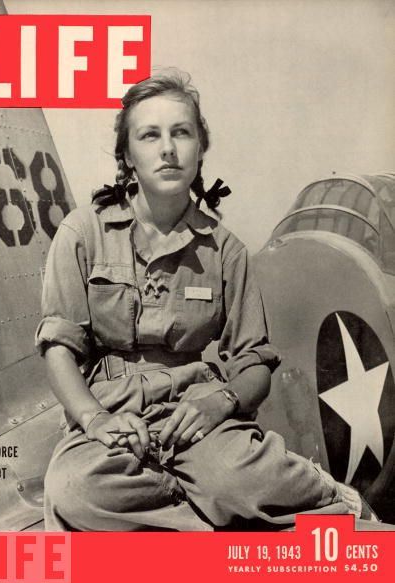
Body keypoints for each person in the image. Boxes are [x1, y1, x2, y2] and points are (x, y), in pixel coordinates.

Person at [35, 69, 366, 531]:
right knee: (75, 490)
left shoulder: (225, 251)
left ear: (199, 150)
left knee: (240, 481)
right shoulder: (82, 232)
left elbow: (253, 362)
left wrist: (223, 400)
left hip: (195, 407)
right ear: (127, 156)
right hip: (111, 409)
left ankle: (325, 492)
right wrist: (92, 420)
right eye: (149, 135)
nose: (168, 148)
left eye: (182, 133)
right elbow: (59, 348)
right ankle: (206, 511)